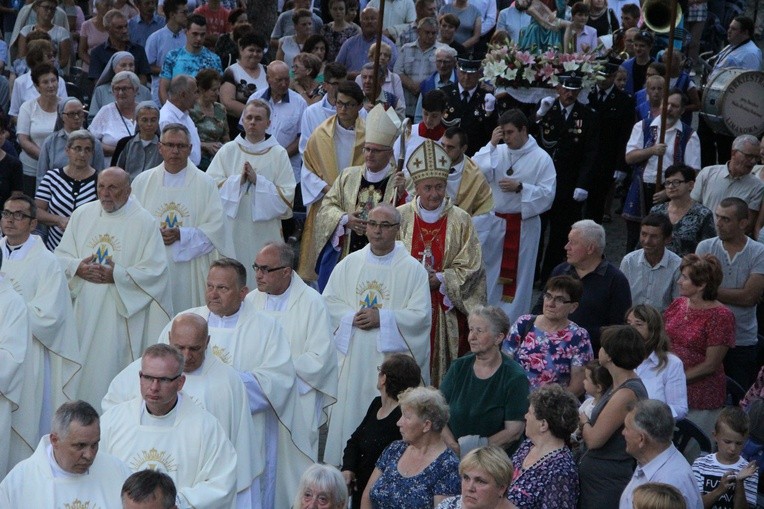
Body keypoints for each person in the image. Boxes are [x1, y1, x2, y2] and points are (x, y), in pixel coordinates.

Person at [155, 257, 314, 509]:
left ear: (243, 292)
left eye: (223, 288)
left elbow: (278, 382)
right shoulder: (184, 321)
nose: (213, 294)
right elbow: (157, 366)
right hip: (185, 431)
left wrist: (221, 382)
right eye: (210, 286)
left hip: (244, 431)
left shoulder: (267, 329)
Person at [101, 314, 258, 507]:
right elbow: (99, 475)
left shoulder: (205, 427)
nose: (154, 387)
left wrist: (175, 503)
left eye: (164, 380)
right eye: (148, 378)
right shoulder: (113, 422)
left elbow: (221, 481)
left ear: (180, 382)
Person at [53, 167, 173, 408]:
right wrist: (78, 268)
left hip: (118, 315)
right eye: (100, 187)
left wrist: (117, 275)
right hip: (82, 310)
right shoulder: (81, 214)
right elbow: (60, 256)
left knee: (108, 369)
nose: (105, 194)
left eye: (112, 188)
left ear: (128, 191)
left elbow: (156, 271)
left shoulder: (144, 222)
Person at [322, 203, 431, 466]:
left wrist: (382, 317)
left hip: (389, 360)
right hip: (354, 359)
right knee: (350, 418)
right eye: (372, 224)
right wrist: (351, 317)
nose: (377, 231)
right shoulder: (350, 263)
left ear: (398, 229)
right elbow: (328, 303)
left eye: (385, 226)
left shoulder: (413, 270)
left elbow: (421, 316)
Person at [398, 139, 486, 385]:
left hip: (444, 312)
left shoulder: (461, 220)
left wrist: (441, 278)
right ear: (416, 187)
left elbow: (473, 266)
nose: (435, 194)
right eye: (428, 188)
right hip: (406, 304)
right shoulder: (401, 216)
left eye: (440, 186)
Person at [1, 194, 81, 467]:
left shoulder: (47, 262)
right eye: (6, 213)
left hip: (30, 355)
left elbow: (50, 317)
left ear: (34, 223)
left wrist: (11, 308)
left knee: (24, 424)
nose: (10, 220)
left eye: (19, 215)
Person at [246, 242, 339, 472]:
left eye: (265, 269)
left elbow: (320, 357)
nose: (258, 275)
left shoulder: (312, 303)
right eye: (256, 267)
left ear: (287, 271)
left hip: (296, 398)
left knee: (291, 468)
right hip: (257, 397)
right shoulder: (250, 301)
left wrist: (277, 376)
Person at [131, 123, 232, 312]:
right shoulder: (142, 182)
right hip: (152, 266)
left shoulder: (205, 184)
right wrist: (154, 233)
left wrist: (182, 234)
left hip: (190, 268)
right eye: (169, 145)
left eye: (181, 146)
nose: (175, 151)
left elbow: (216, 228)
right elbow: (131, 225)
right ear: (160, 147)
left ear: (190, 149)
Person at [306, 103, 402, 289]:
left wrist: (404, 194)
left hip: (383, 259)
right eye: (366, 149)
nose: (369, 154)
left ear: (389, 153)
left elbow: (407, 217)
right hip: (347, 255)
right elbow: (327, 207)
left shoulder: (398, 182)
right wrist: (344, 219)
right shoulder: (348, 176)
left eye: (376, 150)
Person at [472, 109, 555, 321]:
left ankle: (513, 321)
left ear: (523, 130)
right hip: (496, 224)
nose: (506, 138)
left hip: (523, 226)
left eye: (510, 133)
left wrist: (521, 187)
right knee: (490, 273)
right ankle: (487, 320)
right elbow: (476, 171)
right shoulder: (497, 151)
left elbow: (548, 194)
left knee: (520, 276)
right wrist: (491, 144)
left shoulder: (541, 158)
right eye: (503, 133)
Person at [206, 100, 296, 288]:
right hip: (233, 228)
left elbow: (287, 198)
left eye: (258, 118)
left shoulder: (278, 153)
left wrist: (258, 181)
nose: (252, 122)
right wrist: (237, 181)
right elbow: (210, 189)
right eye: (249, 117)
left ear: (268, 123)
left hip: (264, 231)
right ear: (242, 120)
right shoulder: (228, 150)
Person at [0, 401, 132, 506]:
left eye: (95, 445)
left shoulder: (117, 471)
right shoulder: (20, 482)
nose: (89, 455)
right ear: (55, 440)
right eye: (80, 446)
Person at [663, 253, 735, 442]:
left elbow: (711, 365)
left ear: (701, 284)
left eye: (685, 278)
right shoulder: (678, 304)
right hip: (670, 389)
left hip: (701, 397)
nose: (679, 282)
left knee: (692, 451)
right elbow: (663, 338)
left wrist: (675, 380)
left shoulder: (720, 316)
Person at [440, 305, 529, 457]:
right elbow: (437, 412)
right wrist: (453, 447)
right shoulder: (459, 367)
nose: (471, 337)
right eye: (471, 330)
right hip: (452, 455)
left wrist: (471, 452)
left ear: (499, 338)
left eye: (479, 331)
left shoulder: (515, 377)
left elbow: (514, 431)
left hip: (493, 461)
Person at [696, 197, 764, 392]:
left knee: (738, 395)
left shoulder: (758, 252)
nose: (718, 223)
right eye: (717, 217)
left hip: (742, 339)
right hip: (707, 338)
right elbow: (695, 292)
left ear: (743, 223)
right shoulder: (705, 247)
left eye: (726, 219)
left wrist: (709, 290)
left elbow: (749, 298)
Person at [534, 74, 598, 281]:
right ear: (558, 89)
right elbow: (527, 134)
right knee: (537, 229)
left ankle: (550, 276)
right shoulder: (546, 110)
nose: (569, 94)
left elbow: (591, 152)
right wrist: (539, 114)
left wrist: (583, 184)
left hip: (568, 183)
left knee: (561, 233)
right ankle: (532, 273)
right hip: (542, 181)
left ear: (579, 91)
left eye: (573, 90)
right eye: (565, 89)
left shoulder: (587, 115)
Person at [577, 325, 648, 509]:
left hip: (605, 483)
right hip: (595, 478)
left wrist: (583, 418)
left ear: (609, 355)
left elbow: (594, 440)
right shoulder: (616, 385)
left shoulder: (626, 393)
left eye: (602, 346)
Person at [534, 220, 632, 352]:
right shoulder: (560, 271)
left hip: (590, 354)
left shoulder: (616, 280)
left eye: (573, 243)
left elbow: (618, 328)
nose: (566, 247)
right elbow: (539, 307)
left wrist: (573, 334)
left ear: (590, 248)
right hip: (548, 346)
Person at [341, 353, 422, 509]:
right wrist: (348, 468)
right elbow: (355, 441)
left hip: (381, 496)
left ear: (383, 379)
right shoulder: (376, 404)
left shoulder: (403, 417)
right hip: (359, 487)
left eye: (380, 371)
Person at [361, 386, 461, 508]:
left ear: (426, 425)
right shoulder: (395, 449)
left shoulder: (448, 467)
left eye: (406, 417)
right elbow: (367, 496)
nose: (398, 423)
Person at [504, 276, 593, 395]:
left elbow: (578, 386)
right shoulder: (523, 323)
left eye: (559, 299)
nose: (551, 304)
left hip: (552, 408)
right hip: (515, 401)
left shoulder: (579, 337)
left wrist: (548, 407)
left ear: (573, 307)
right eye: (548, 296)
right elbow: (504, 364)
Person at [503, 385, 580, 508]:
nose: (525, 416)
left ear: (543, 424)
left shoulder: (560, 471)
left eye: (529, 413)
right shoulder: (528, 445)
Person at [619, 400, 704, 509]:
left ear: (641, 439)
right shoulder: (649, 462)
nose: (623, 433)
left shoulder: (671, 484)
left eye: (627, 428)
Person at [701, 17, 762, 167]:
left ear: (745, 33)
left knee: (723, 148)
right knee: (704, 141)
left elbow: (748, 85)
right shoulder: (732, 46)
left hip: (730, 109)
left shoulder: (751, 54)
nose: (729, 31)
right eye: (729, 27)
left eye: (734, 29)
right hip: (715, 101)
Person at [248, 60, 308, 201]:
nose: (284, 84)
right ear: (268, 79)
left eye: (287, 79)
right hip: (257, 167)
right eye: (279, 80)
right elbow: (245, 130)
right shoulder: (255, 99)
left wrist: (279, 156)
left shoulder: (299, 103)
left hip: (288, 170)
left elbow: (302, 137)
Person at [585, 55, 633, 224]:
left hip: (606, 159)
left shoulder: (624, 101)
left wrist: (621, 166)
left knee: (597, 203)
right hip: (585, 158)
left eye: (606, 76)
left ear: (613, 76)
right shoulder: (587, 95)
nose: (602, 79)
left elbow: (624, 136)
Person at [35, 130, 100, 250]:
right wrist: (59, 220)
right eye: (77, 148)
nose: (82, 154)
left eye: (87, 149)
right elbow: (37, 210)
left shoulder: (100, 180)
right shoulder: (51, 177)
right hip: (55, 246)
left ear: (92, 153)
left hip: (87, 246)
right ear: (67, 150)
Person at [627, 305, 688, 420]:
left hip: (652, 429)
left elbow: (680, 409)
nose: (631, 329)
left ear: (653, 330)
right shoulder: (617, 357)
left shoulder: (672, 364)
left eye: (638, 324)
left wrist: (648, 412)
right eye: (628, 323)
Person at [693, 135, 764, 231]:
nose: (753, 161)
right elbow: (692, 207)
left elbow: (748, 224)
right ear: (733, 153)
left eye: (756, 158)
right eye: (748, 156)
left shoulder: (757, 186)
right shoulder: (707, 173)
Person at [692, 406, 759, 508]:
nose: (733, 448)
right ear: (715, 436)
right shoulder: (700, 465)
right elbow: (695, 505)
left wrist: (739, 483)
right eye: (727, 442)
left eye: (739, 443)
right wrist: (719, 491)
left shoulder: (748, 471)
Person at [649, 164, 716, 257]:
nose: (671, 186)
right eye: (667, 183)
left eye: (676, 182)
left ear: (691, 185)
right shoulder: (657, 211)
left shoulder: (703, 214)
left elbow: (708, 249)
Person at [37, 98, 106, 187]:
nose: (77, 117)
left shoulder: (94, 143)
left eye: (80, 113)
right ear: (62, 116)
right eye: (71, 114)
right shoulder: (51, 142)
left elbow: (100, 174)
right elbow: (41, 176)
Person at [620, 214, 681, 311]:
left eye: (654, 236)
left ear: (667, 239)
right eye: (643, 234)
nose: (647, 241)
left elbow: (678, 305)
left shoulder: (677, 265)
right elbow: (621, 298)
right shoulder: (629, 261)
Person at [158, 14, 222, 104]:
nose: (199, 38)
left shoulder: (214, 59)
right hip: (178, 110)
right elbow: (163, 89)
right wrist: (169, 111)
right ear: (186, 32)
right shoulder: (173, 56)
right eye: (195, 34)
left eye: (202, 35)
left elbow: (218, 90)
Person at [17, 63, 59, 196]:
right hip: (31, 170)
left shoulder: (66, 106)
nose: (51, 85)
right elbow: (23, 139)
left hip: (59, 171)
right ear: (37, 86)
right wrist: (45, 158)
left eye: (53, 80)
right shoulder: (27, 107)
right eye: (45, 82)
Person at [440, 58, 496, 156]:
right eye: (463, 73)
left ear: (479, 74)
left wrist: (489, 113)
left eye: (471, 74)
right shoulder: (445, 94)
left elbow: (491, 131)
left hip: (476, 155)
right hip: (446, 154)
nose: (466, 77)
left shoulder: (487, 98)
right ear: (457, 72)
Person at [219, 31, 268, 136]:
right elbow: (227, 102)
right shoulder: (231, 71)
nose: (255, 54)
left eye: (258, 51)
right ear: (241, 50)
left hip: (266, 127)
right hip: (238, 128)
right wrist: (256, 115)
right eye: (251, 50)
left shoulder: (267, 71)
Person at [435, 446, 513, 509]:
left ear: (501, 488)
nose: (470, 488)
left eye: (480, 481)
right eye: (466, 478)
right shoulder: (448, 505)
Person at [89, 70, 141, 165]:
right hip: (110, 169)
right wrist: (118, 151)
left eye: (125, 88)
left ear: (136, 90)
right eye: (116, 89)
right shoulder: (106, 111)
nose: (120, 93)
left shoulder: (144, 111)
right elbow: (91, 141)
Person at [88, 9, 151, 82]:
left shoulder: (138, 50)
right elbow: (97, 82)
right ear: (108, 29)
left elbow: (144, 77)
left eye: (126, 26)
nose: (125, 30)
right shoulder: (97, 53)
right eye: (119, 28)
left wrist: (133, 90)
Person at [144, 0, 187, 105]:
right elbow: (147, 66)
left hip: (185, 94)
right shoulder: (155, 38)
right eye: (184, 12)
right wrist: (171, 70)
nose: (187, 16)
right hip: (160, 95)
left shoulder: (187, 37)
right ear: (172, 14)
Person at [88, 51, 152, 122]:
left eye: (131, 65)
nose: (128, 69)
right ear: (114, 68)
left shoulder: (145, 91)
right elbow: (92, 118)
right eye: (123, 65)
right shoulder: (100, 91)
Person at [335, 7, 398, 79]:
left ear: (380, 22)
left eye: (373, 18)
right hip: (352, 87)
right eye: (366, 19)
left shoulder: (388, 45)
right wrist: (351, 75)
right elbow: (336, 69)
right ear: (360, 22)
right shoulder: (349, 44)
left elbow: (393, 72)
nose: (369, 21)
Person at [190, 68, 229, 171]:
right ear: (202, 89)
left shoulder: (220, 109)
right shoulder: (190, 109)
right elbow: (185, 139)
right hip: (196, 161)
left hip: (218, 160)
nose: (217, 93)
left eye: (218, 89)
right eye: (213, 90)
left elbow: (226, 137)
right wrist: (205, 145)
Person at [159, 74, 202, 167]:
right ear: (183, 95)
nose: (198, 97)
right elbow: (171, 155)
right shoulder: (167, 120)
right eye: (195, 92)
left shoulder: (185, 115)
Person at [16, 0, 72, 69]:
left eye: (52, 9)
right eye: (46, 7)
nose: (49, 11)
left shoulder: (62, 32)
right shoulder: (26, 30)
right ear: (37, 8)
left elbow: (64, 60)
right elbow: (22, 56)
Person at [114, 100, 162, 178]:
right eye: (144, 120)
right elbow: (116, 172)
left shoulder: (164, 145)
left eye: (153, 120)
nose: (149, 124)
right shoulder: (125, 144)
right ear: (137, 121)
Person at [79, 0, 112, 72]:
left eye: (111, 6)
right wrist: (96, 65)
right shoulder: (86, 25)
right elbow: (81, 52)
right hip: (89, 69)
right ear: (97, 7)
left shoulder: (114, 26)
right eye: (106, 5)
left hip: (110, 69)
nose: (109, 9)